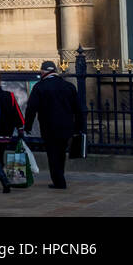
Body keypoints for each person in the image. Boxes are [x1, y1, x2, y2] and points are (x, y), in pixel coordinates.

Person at [24, 60, 86, 190]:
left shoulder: (40, 87)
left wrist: (27, 126)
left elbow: (31, 108)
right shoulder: (68, 86)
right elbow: (78, 109)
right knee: (61, 153)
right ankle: (59, 178)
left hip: (48, 127)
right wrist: (79, 127)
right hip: (66, 127)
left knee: (52, 153)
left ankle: (59, 181)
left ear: (43, 72)